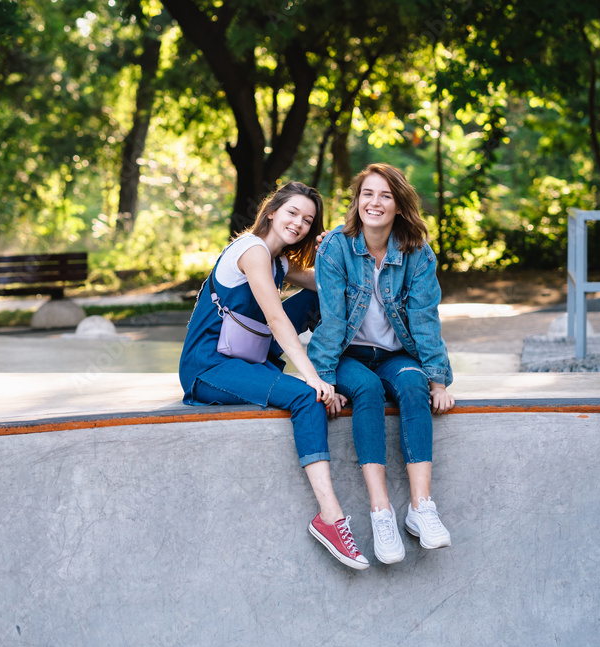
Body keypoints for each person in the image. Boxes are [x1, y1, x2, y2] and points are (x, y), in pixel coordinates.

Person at [179, 181, 367, 570]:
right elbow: (276, 318)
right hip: (209, 366)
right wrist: (313, 380)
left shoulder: (281, 262)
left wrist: (344, 254)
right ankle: (330, 518)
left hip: (247, 357)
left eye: (308, 220)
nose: (299, 224)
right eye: (292, 213)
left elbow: (333, 286)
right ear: (272, 212)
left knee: (319, 297)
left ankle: (346, 370)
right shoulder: (251, 251)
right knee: (304, 398)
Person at [308, 163, 455, 566]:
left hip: (396, 354)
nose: (375, 202)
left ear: (399, 206)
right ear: (357, 201)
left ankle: (421, 508)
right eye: (367, 194)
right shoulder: (335, 247)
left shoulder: (417, 253)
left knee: (413, 385)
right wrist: (323, 382)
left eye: (385, 195)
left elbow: (425, 318)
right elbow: (332, 321)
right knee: (368, 391)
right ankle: (381, 512)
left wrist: (438, 381)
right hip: (349, 356)